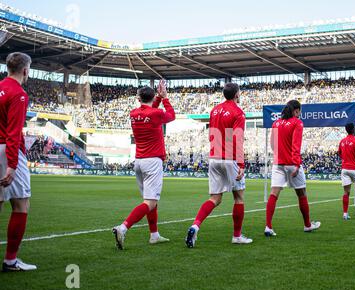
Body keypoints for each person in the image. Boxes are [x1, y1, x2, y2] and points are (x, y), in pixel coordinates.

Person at [185, 83, 251, 248]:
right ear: (237, 94)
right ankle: (237, 236)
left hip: (214, 157)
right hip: (230, 158)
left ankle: (195, 226)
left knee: (214, 198)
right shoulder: (238, 113)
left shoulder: (214, 110)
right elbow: (237, 138)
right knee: (239, 197)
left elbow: (211, 134)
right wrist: (241, 164)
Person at [113, 81, 175, 250]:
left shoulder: (133, 113)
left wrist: (157, 99)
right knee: (150, 202)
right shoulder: (156, 113)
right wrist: (165, 98)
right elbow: (171, 115)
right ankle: (123, 227)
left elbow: (150, 111)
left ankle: (154, 235)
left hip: (139, 161)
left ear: (138, 98)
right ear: (152, 97)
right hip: (152, 161)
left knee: (151, 201)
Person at [0, 52, 36, 272]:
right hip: (7, 150)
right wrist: (12, 165)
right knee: (21, 204)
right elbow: (13, 133)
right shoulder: (18, 94)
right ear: (25, 70)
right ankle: (11, 260)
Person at [265, 100, 321, 237]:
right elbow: (296, 145)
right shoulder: (297, 123)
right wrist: (296, 163)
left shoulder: (276, 123)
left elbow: (272, 144)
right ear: (296, 111)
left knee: (273, 194)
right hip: (291, 163)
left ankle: (268, 226)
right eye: (299, 111)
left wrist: (279, 155)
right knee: (301, 193)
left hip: (278, 163)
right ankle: (307, 225)